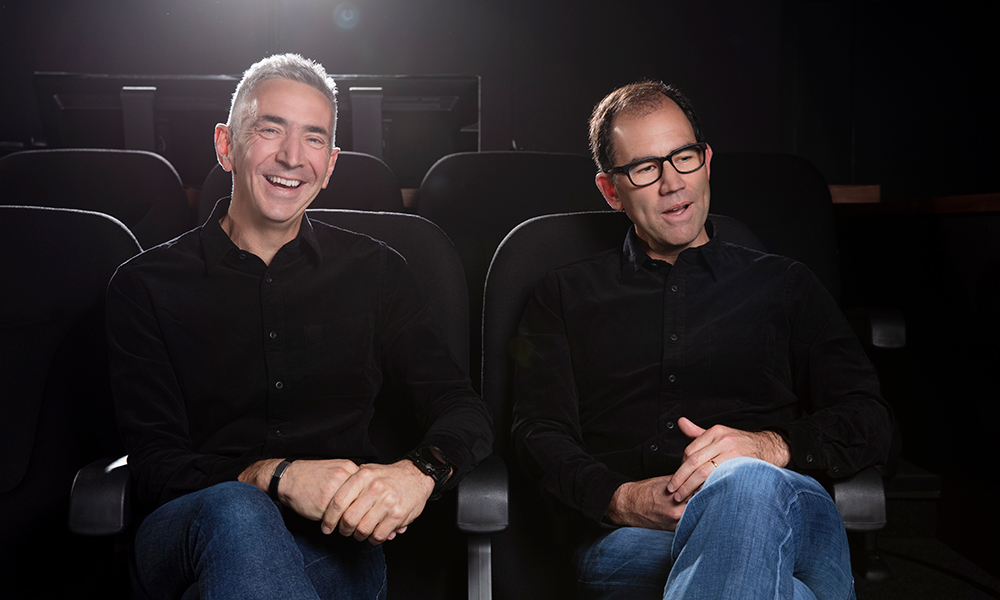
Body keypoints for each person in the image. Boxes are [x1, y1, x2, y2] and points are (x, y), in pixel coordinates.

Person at [107, 53, 493, 600]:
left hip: (334, 545)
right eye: (270, 129)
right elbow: (154, 467)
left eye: (313, 139)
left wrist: (418, 473)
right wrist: (276, 476)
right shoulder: (144, 285)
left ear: (330, 165)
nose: (292, 156)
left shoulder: (377, 272)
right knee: (239, 511)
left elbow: (462, 407)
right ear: (225, 145)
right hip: (187, 530)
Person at [511, 81, 894, 600]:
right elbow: (537, 432)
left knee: (747, 483)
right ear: (611, 190)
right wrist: (621, 498)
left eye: (684, 157)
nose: (672, 183)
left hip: (791, 510)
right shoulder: (562, 295)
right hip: (633, 537)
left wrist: (767, 447)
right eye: (645, 168)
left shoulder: (787, 285)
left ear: (706, 161)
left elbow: (870, 419)